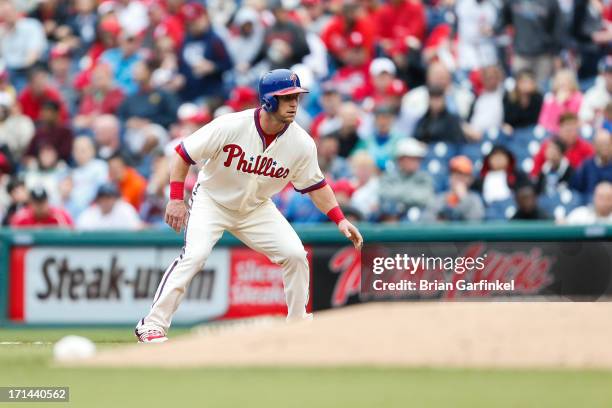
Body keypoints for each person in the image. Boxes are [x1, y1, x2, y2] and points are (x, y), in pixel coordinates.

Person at [135, 69, 362, 343]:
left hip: (256, 208)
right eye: (286, 98)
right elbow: (184, 154)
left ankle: (299, 327)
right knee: (195, 255)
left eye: (296, 97)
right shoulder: (231, 125)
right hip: (212, 200)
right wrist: (175, 198)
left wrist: (339, 219)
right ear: (268, 101)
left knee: (295, 255)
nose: (293, 104)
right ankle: (152, 324)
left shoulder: (301, 143)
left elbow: (316, 185)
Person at [378, 137, 434, 216]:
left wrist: (400, 196)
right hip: (393, 217)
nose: (415, 162)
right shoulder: (389, 176)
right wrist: (411, 194)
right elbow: (384, 194)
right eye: (411, 158)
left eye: (417, 159)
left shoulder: (424, 177)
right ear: (400, 159)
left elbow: (426, 197)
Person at [422, 155, 484, 222]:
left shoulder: (474, 199)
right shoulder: (440, 198)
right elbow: (427, 220)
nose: (458, 178)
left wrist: (464, 198)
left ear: (470, 179)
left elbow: (475, 221)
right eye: (455, 174)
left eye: (463, 175)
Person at [531, 113, 595, 177]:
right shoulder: (548, 146)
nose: (572, 134)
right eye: (568, 130)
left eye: (575, 130)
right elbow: (535, 172)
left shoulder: (586, 148)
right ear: (560, 129)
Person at [76, 183, 142, 230]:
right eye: (103, 197)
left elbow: (136, 230)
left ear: (116, 199)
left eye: (109, 197)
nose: (106, 201)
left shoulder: (125, 210)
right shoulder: (89, 213)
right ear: (98, 200)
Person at [538, 69, 584, 134]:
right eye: (560, 80)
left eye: (566, 81)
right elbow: (543, 121)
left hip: (571, 132)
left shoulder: (578, 97)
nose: (563, 83)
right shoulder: (549, 97)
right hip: (551, 132)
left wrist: (561, 104)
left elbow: (571, 119)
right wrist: (557, 102)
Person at [571, 129, 612, 200]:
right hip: (589, 205)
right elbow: (576, 188)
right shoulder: (587, 165)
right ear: (594, 146)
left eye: (607, 144)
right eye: (601, 144)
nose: (605, 147)